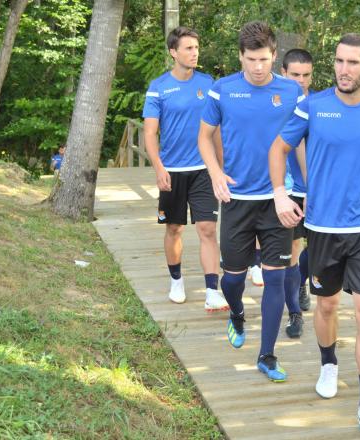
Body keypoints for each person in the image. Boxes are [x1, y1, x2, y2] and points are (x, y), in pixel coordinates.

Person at [269, 33, 360, 436]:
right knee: (326, 307)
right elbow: (278, 149)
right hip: (323, 226)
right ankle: (328, 364)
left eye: (353, 63)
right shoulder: (313, 106)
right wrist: (278, 195)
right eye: (339, 61)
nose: (344, 70)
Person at [198, 21, 303, 382]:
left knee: (275, 280)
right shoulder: (222, 89)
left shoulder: (292, 92)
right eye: (250, 59)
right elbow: (204, 138)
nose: (257, 67)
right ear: (240, 57)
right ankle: (237, 313)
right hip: (237, 198)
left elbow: (302, 143)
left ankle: (267, 355)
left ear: (275, 55)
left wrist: (311, 187)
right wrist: (214, 173)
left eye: (264, 59)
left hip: (279, 199)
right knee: (233, 279)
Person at [142, 26, 228, 312]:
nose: (194, 53)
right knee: (175, 228)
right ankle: (176, 280)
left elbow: (215, 131)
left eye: (196, 47)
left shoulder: (209, 83)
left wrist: (220, 167)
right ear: (173, 52)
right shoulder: (158, 87)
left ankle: (212, 290)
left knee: (206, 228)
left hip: (203, 169)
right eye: (188, 48)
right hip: (172, 171)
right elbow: (151, 133)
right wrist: (158, 168)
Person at [280, 48, 314, 338]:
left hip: (316, 190)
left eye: (306, 75)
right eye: (295, 75)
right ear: (283, 73)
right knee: (292, 250)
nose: (301, 81)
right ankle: (294, 313)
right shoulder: (277, 103)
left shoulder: (319, 105)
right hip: (288, 190)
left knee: (314, 252)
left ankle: (301, 282)